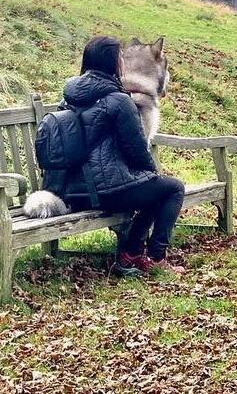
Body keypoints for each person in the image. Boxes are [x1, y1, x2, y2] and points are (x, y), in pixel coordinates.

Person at [49, 35, 185, 277]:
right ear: (114, 64)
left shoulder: (68, 97)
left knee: (153, 188)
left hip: (72, 192)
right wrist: (152, 174)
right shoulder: (119, 100)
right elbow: (136, 151)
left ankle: (131, 253)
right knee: (171, 188)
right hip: (104, 192)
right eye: (121, 58)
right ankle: (154, 256)